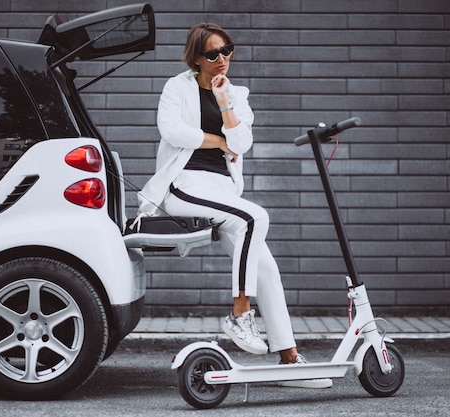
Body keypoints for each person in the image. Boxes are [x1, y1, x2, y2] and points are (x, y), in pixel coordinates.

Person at [137, 23, 331, 388]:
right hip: (183, 185)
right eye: (212, 54)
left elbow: (241, 142)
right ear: (196, 57)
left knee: (267, 269)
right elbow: (172, 130)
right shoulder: (177, 87)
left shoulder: (236, 93)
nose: (222, 58)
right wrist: (215, 140)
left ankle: (289, 358)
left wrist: (224, 102)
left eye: (227, 50)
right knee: (256, 216)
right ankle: (240, 311)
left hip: (222, 190)